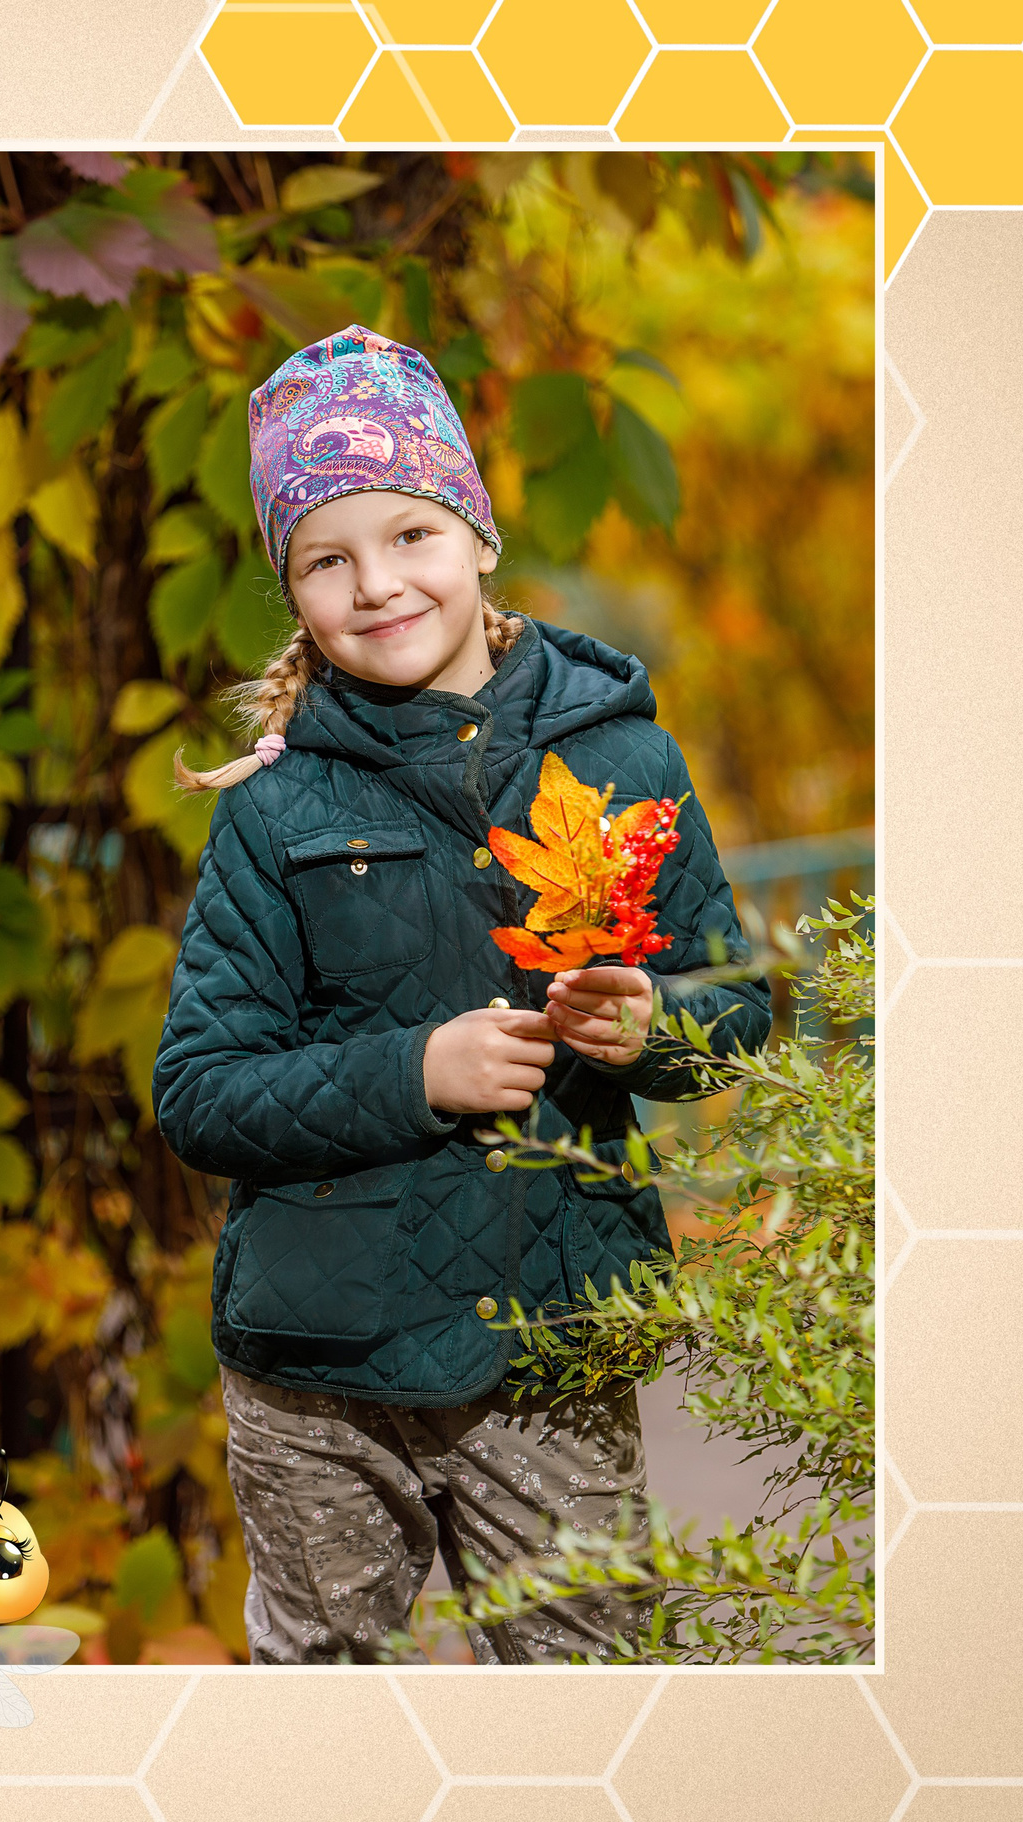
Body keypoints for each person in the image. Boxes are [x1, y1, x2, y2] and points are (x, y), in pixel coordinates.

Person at [151, 323, 774, 1667]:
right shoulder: (277, 809)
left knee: (584, 1690)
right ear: (293, 586)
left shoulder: (623, 753)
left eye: (413, 535)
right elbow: (199, 1091)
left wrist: (654, 1028)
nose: (378, 585)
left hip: (554, 1342)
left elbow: (733, 999)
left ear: (478, 534)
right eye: (328, 557)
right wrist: (411, 1072)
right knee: (324, 1709)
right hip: (320, 1367)